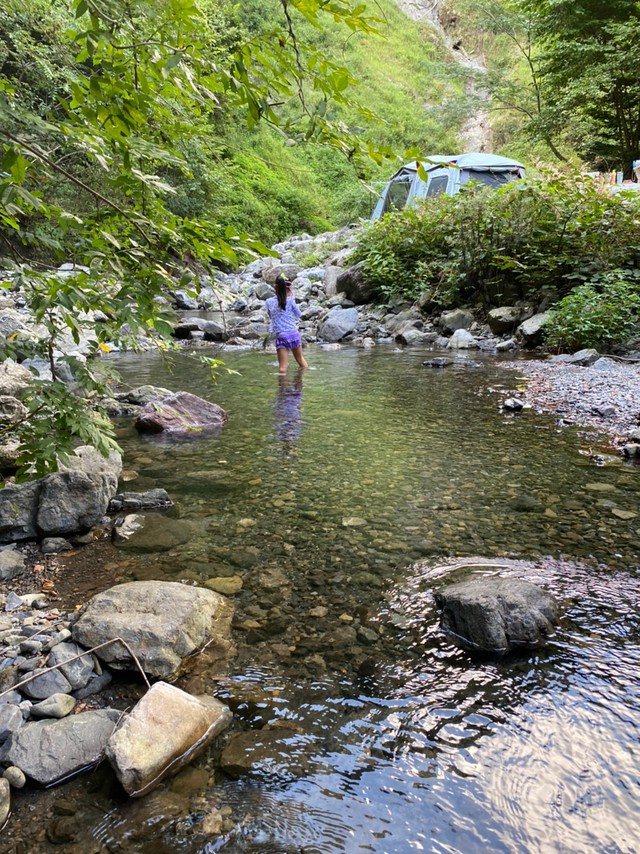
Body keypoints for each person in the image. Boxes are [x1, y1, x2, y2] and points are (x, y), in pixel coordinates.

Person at [265, 274, 308, 373]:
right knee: (301, 361)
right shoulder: (291, 300)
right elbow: (298, 314)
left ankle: (283, 388)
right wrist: (291, 297)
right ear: (289, 288)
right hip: (294, 334)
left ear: (275, 286)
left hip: (282, 335)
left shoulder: (269, 302)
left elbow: (272, 316)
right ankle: (300, 384)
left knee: (282, 368)